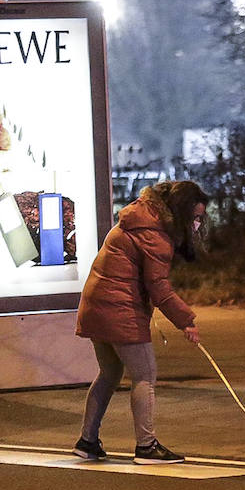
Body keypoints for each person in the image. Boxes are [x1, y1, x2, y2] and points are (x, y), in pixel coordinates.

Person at [73, 180, 208, 464]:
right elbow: (159, 287)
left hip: (96, 306)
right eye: (195, 217)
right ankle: (146, 446)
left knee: (109, 374)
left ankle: (87, 441)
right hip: (119, 309)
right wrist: (186, 321)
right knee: (145, 375)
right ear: (182, 212)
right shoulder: (154, 234)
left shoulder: (139, 216)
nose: (197, 224)